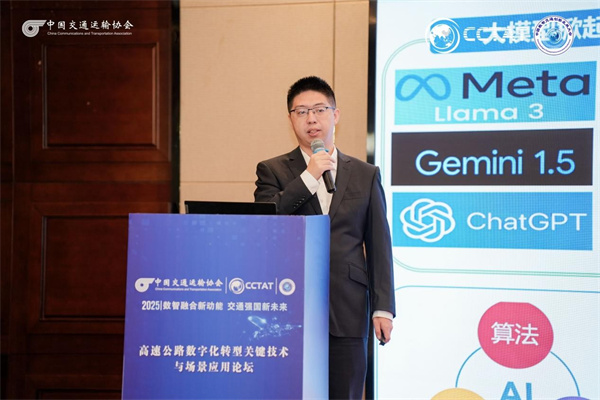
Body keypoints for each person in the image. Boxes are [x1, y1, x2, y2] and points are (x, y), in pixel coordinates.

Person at [254, 76, 395, 399]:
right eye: (301, 112)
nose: (311, 119)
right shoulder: (272, 171)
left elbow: (379, 245)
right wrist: (309, 176)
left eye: (319, 109)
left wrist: (383, 308)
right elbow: (266, 223)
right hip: (287, 305)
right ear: (290, 119)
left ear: (336, 115)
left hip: (348, 307)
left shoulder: (365, 174)